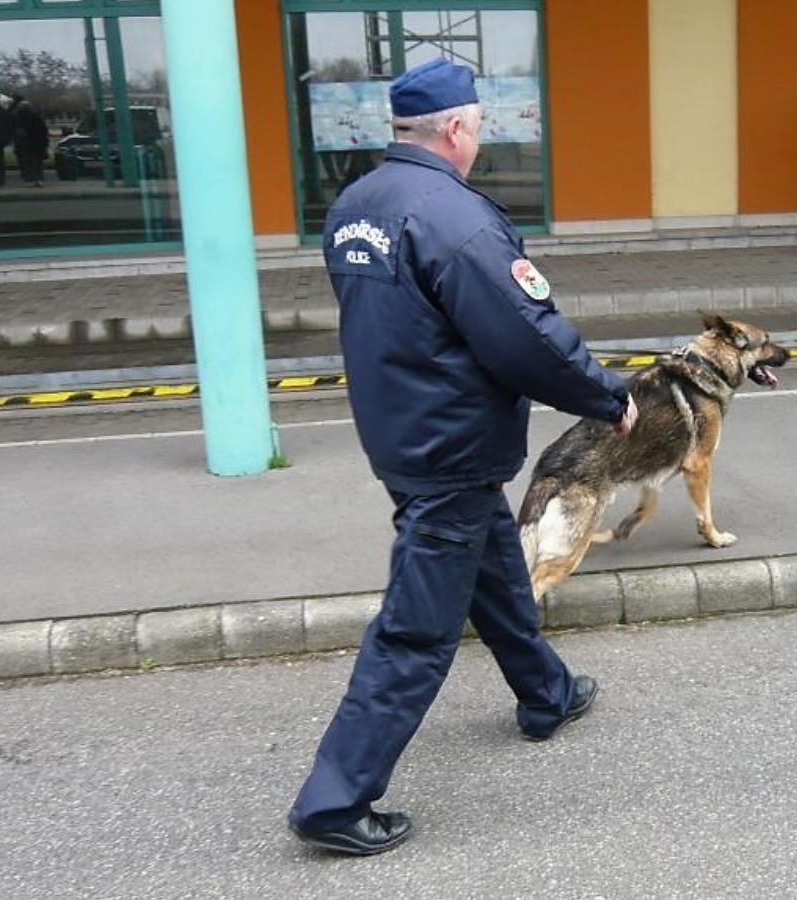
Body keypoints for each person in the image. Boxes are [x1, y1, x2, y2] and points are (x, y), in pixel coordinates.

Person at [286, 56, 639, 857]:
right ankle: (335, 799)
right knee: (417, 629)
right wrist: (606, 395)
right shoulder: (457, 219)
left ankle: (546, 693)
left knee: (493, 568)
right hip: (449, 442)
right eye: (478, 126)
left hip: (405, 431)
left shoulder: (355, 205)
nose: (480, 140)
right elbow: (524, 336)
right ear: (455, 129)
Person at [10, 96, 49, 187]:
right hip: (37, 143)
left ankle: (29, 177)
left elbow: (15, 130)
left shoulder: (17, 117)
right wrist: (45, 143)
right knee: (37, 162)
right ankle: (38, 178)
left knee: (27, 161)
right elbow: (43, 131)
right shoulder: (36, 117)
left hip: (24, 143)